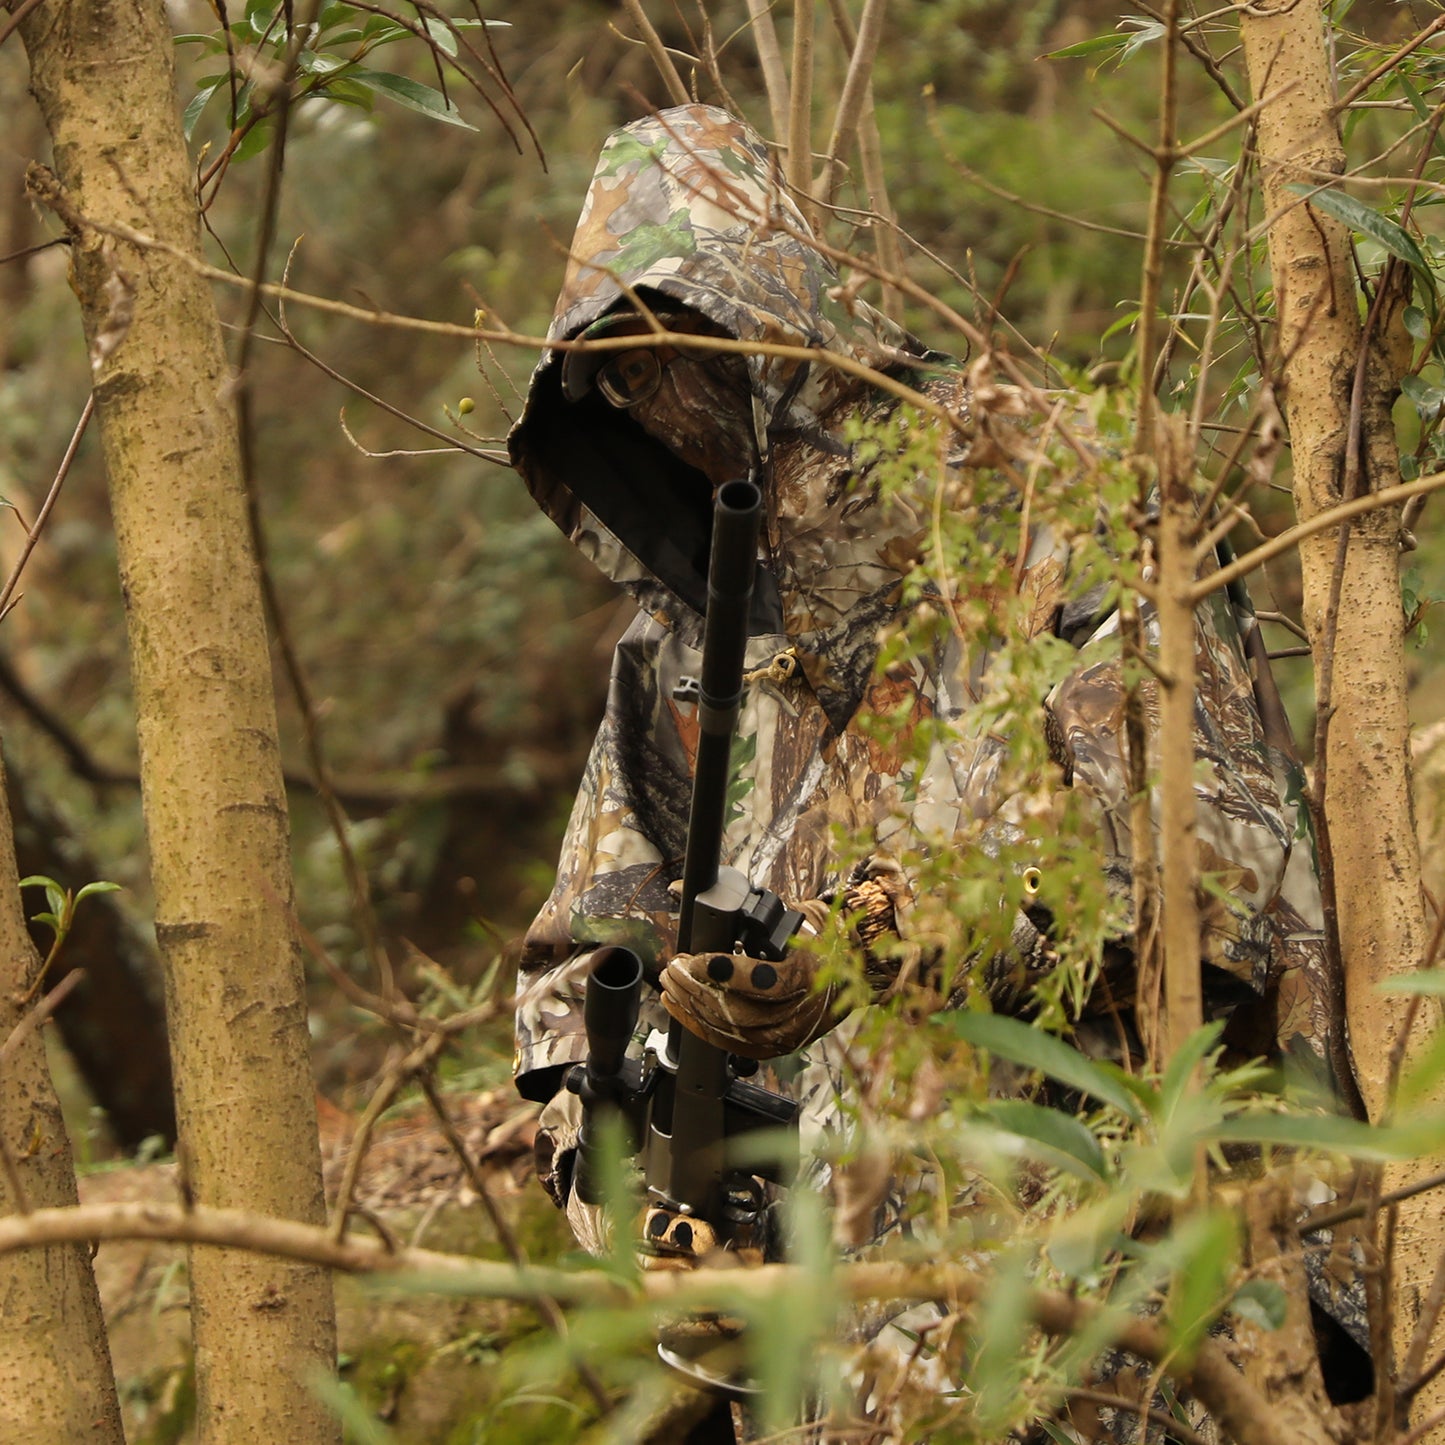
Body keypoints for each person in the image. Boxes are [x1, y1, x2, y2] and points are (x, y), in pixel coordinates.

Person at [507, 103, 1360, 1439]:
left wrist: (865, 944)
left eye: (682, 347)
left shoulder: (1050, 503)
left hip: (1107, 1295)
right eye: (619, 376)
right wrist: (618, 1164)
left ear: (777, 319)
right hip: (821, 1357)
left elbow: (1204, 877)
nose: (661, 404)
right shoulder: (673, 645)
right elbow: (580, 953)